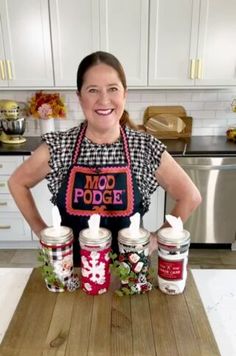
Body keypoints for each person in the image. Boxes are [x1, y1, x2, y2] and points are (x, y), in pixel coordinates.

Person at [8, 51, 201, 265]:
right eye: (93, 90)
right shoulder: (60, 146)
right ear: (80, 97)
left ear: (124, 94)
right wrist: (43, 232)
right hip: (72, 272)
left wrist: (155, 240)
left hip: (128, 274)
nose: (104, 99)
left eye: (113, 89)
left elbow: (190, 196)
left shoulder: (144, 148)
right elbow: (17, 182)